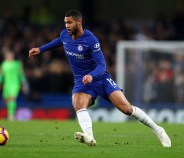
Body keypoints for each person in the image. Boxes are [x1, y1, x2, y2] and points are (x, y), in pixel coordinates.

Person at [29, 10, 171, 147]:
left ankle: (158, 129)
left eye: (70, 23)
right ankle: (90, 137)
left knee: (127, 109)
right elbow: (59, 41)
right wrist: (41, 49)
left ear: (79, 22)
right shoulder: (64, 34)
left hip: (100, 79)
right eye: (65, 22)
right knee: (78, 103)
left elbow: (102, 65)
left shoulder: (91, 40)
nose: (66, 26)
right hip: (82, 81)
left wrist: (92, 75)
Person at [0, 48, 28, 121]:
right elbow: (1, 75)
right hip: (6, 85)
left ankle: (11, 116)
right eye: (8, 55)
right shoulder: (3, 64)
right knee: (6, 100)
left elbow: (21, 74)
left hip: (15, 84)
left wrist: (24, 83)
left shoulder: (17, 64)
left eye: (11, 55)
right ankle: (10, 113)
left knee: (12, 98)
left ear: (13, 55)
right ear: (5, 56)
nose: (9, 56)